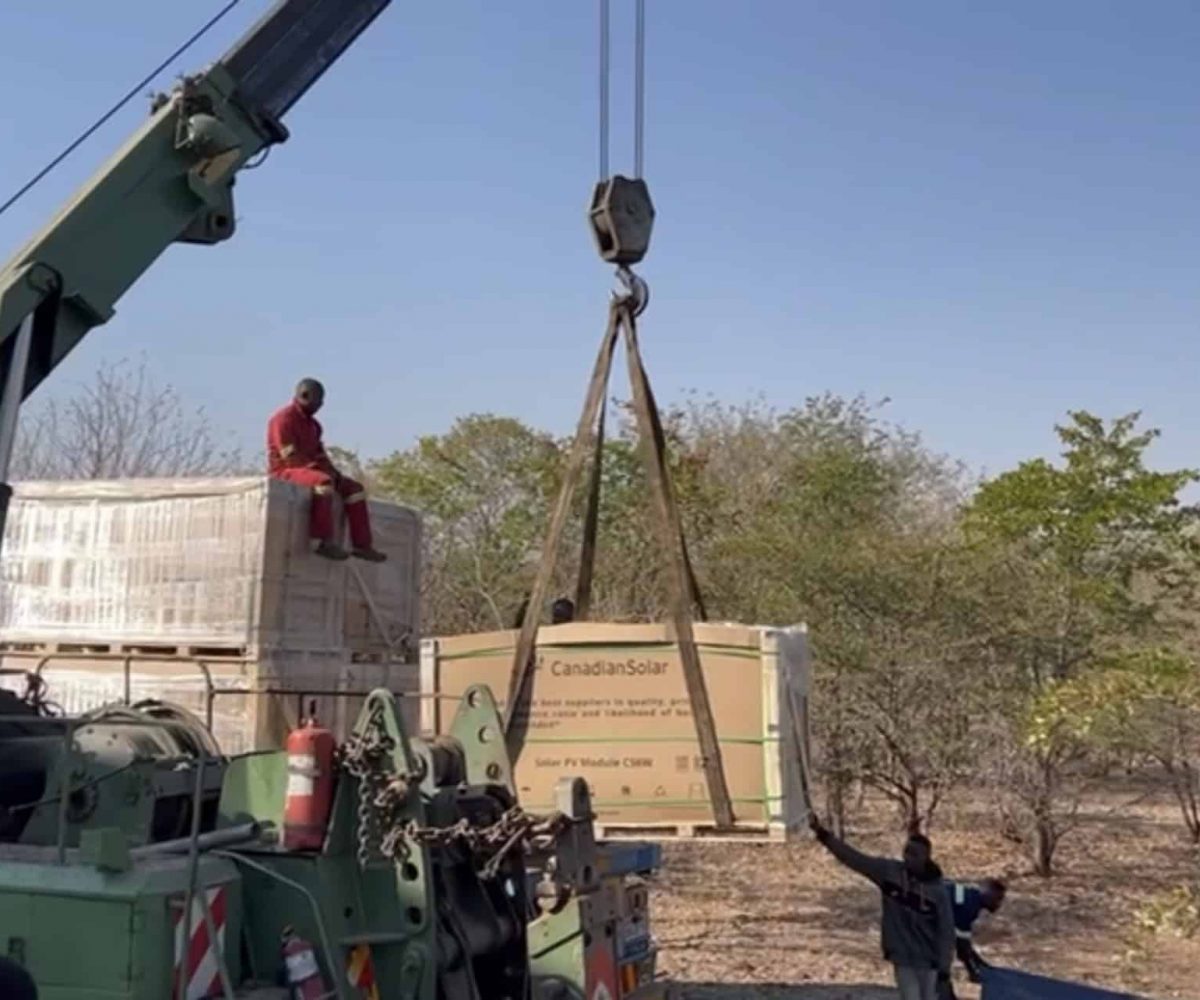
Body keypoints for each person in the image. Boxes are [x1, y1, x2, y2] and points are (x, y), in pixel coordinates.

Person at [809, 814, 954, 1000]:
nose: (909, 858)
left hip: (929, 960)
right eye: (906, 852)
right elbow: (854, 859)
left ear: (926, 858)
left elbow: (946, 931)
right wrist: (823, 835)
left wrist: (944, 968)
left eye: (915, 854)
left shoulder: (937, 892)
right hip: (903, 956)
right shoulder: (889, 873)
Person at [267, 378, 386, 563]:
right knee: (322, 482)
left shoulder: (314, 425)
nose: (320, 406)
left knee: (354, 489)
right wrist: (319, 471)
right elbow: (289, 457)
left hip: (311, 469)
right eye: (318, 401)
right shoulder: (283, 420)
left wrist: (334, 473)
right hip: (286, 470)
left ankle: (362, 545)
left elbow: (320, 454)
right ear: (304, 396)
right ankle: (322, 540)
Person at [944, 877, 1006, 992]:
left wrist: (980, 964)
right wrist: (973, 972)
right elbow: (962, 948)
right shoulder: (970, 907)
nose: (999, 904)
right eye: (998, 899)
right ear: (987, 894)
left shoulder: (969, 897)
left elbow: (964, 943)